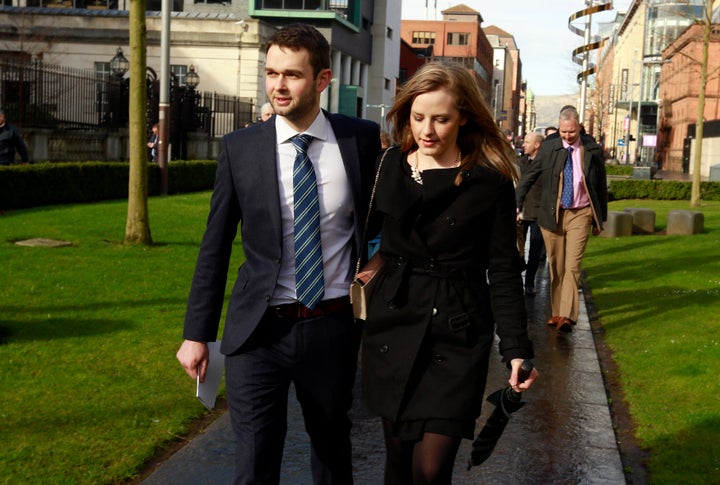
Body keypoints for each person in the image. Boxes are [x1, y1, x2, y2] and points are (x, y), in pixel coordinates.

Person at [176, 23, 381, 484]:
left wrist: (376, 268)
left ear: (323, 80)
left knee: (331, 451)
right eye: (271, 73)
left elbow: (380, 223)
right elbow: (214, 246)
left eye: (292, 74)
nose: (278, 85)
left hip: (331, 326)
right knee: (254, 460)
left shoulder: (360, 140)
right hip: (258, 332)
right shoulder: (240, 148)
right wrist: (197, 334)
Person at [356, 62, 538, 484]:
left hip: (456, 332)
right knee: (398, 464)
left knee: (431, 470)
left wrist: (515, 349)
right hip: (395, 323)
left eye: (441, 119)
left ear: (463, 117)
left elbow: (504, 270)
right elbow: (355, 237)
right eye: (419, 117)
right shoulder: (388, 166)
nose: (427, 130)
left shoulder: (488, 183)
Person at [516, 107, 607, 332]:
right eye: (564, 132)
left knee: (572, 266)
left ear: (579, 127)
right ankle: (557, 312)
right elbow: (530, 176)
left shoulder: (592, 149)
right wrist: (516, 203)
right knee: (556, 267)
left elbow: (600, 185)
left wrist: (600, 219)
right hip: (553, 214)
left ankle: (566, 315)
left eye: (572, 132)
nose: (568, 136)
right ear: (559, 128)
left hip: (581, 212)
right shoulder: (549, 148)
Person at [515, 131, 546, 296]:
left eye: (527, 142)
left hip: (537, 213)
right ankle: (516, 280)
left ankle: (529, 282)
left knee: (534, 251)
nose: (524, 145)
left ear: (537, 145)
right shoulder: (519, 163)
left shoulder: (545, 164)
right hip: (520, 212)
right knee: (517, 250)